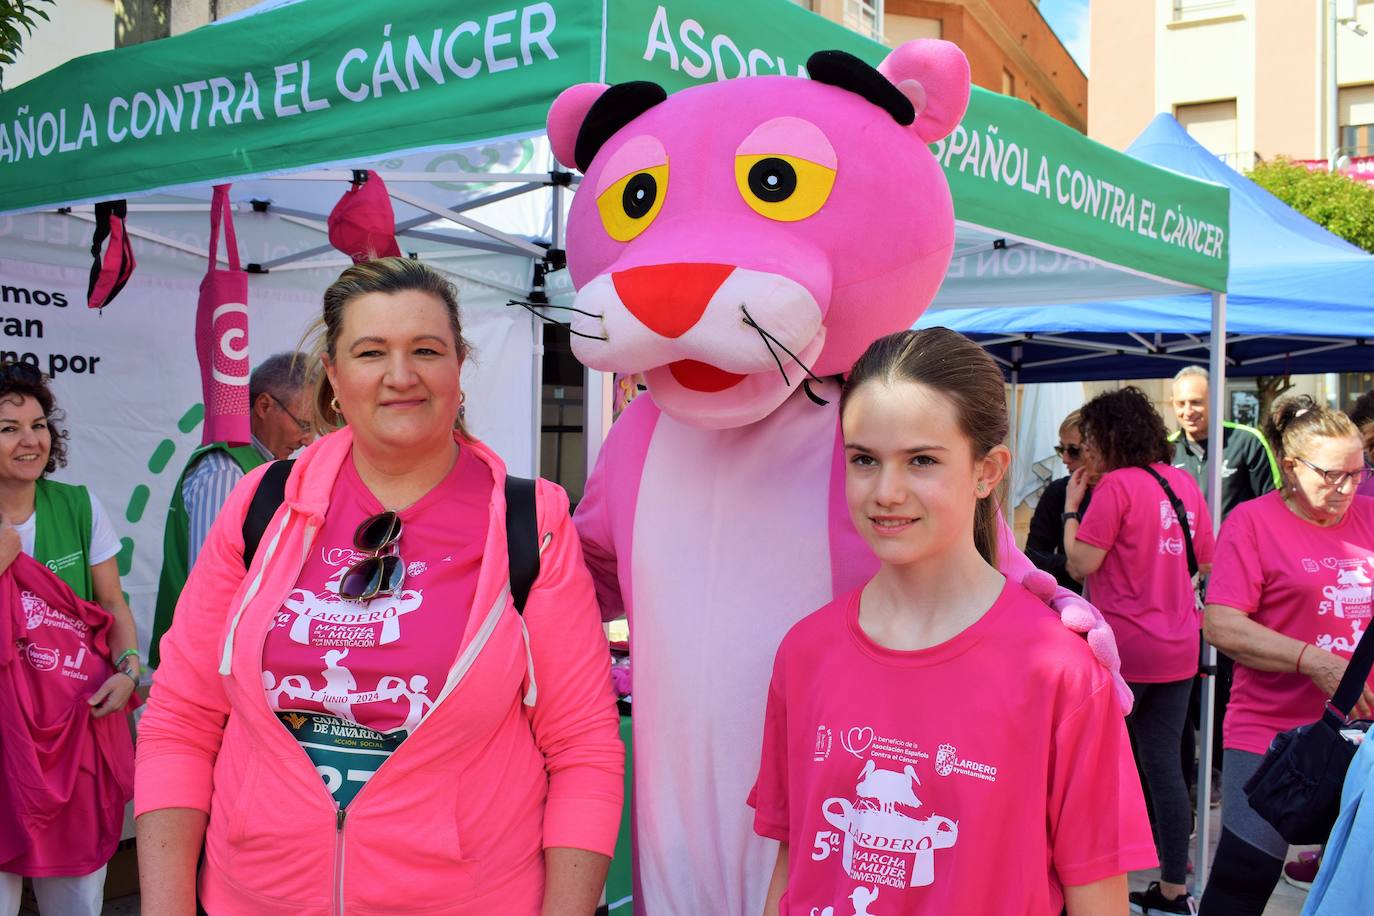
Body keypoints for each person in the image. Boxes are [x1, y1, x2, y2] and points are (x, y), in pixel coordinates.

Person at [135, 258, 624, 915]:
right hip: (255, 896)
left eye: (426, 349)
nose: (400, 375)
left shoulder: (528, 523)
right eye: (371, 352)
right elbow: (181, 719)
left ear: (458, 371)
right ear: (334, 378)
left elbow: (583, 751)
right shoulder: (263, 505)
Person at [751, 328, 1155, 916]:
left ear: (987, 471)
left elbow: (1099, 898)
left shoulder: (1060, 673)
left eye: (921, 461)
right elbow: (797, 864)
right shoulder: (805, 651)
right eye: (865, 459)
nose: (886, 492)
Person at [1197, 395, 1374, 916]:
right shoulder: (1252, 523)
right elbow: (1221, 624)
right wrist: (1314, 660)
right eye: (1331, 475)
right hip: (1270, 732)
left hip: (1362, 733)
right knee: (1243, 878)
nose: (1346, 488)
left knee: (1357, 877)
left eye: (1357, 474)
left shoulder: (1370, 514)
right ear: (1291, 466)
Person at [1064, 386, 1215, 916]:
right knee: (1164, 768)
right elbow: (1205, 562)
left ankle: (1097, 889)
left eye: (1087, 442)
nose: (1085, 453)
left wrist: (1070, 510)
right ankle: (1175, 890)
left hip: (1123, 652)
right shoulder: (1183, 484)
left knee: (1103, 770)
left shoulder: (1117, 487)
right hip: (1179, 648)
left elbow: (1081, 563)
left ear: (1107, 437)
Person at [0, 361, 138, 916]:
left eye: (38, 424)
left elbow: (112, 605)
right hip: (5, 737)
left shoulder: (79, 505)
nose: (31, 440)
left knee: (77, 894)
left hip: (73, 724)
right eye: (8, 428)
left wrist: (129, 671)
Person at [149, 351, 314, 669]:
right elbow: (212, 587)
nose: (307, 439)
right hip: (205, 663)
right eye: (303, 424)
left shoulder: (266, 466)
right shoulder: (226, 471)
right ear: (264, 406)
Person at [1168, 366, 1280, 519]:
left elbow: (1272, 504)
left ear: (1215, 400)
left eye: (1196, 402)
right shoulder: (1166, 449)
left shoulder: (1247, 441)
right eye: (1181, 403)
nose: (1188, 412)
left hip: (1236, 542)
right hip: (1184, 543)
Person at [1026, 409, 1094, 593]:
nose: (1064, 459)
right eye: (1060, 449)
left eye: (1073, 451)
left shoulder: (1123, 492)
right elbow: (1033, 555)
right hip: (1072, 604)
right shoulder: (1057, 492)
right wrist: (1066, 565)